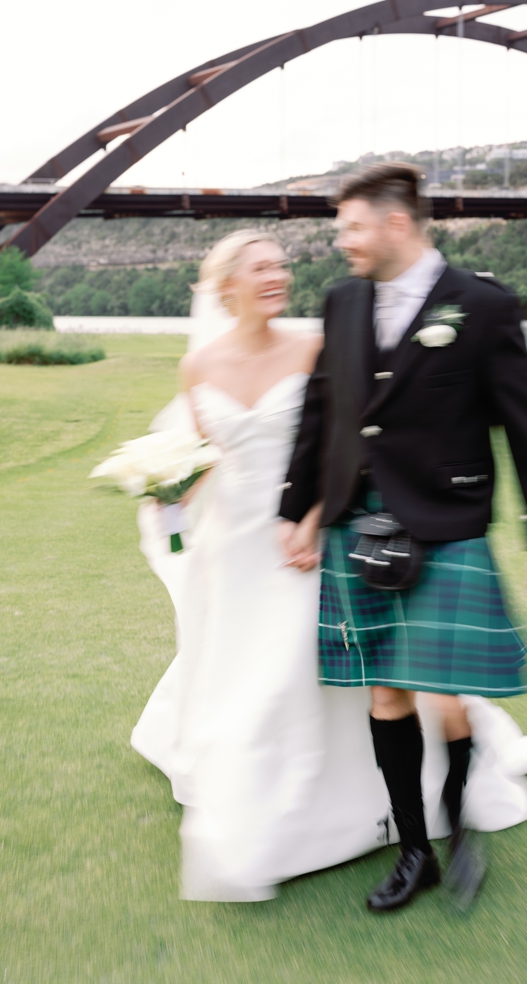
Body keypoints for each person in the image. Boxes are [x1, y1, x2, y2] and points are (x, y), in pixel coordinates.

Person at [278, 162, 527, 912]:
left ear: (395, 223)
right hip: (359, 517)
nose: (341, 241)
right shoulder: (342, 302)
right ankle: (415, 849)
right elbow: (322, 411)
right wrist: (299, 504)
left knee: (444, 692)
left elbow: (525, 420)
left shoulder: (482, 304)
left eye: (350, 227)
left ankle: (462, 825)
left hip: (446, 518)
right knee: (387, 690)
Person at [131, 229, 394, 901]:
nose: (278, 275)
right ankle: (243, 781)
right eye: (262, 268)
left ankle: (310, 810)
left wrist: (309, 519)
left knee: (289, 664)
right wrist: (166, 498)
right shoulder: (199, 367)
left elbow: (342, 447)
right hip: (232, 543)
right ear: (228, 286)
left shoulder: (312, 348)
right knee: (236, 661)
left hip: (300, 534)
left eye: (283, 265)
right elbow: (200, 457)